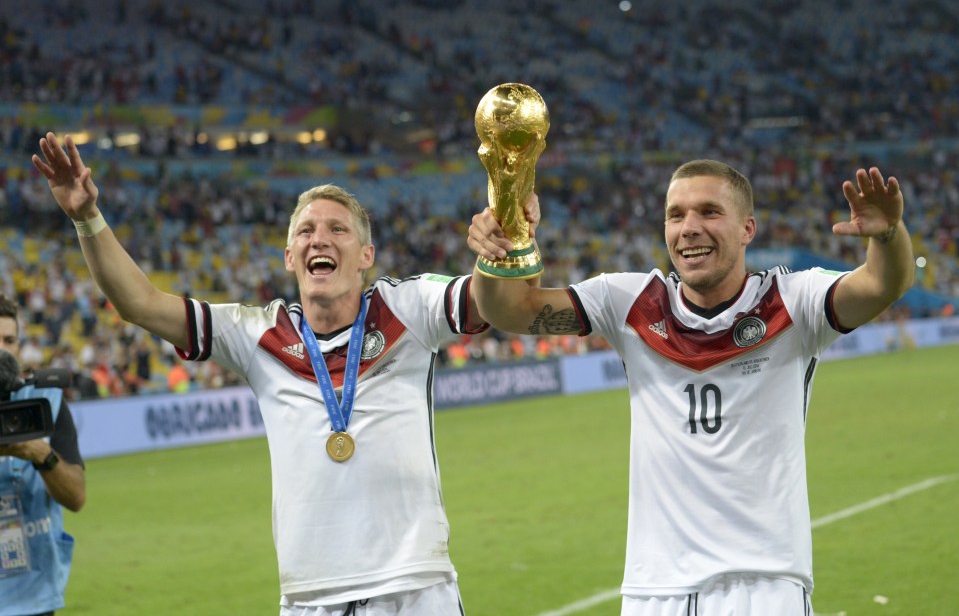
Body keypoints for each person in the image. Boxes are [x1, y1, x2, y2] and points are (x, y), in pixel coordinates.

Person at [31, 132, 524, 615]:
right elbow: (139, 303)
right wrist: (86, 217)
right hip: (309, 597)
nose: (319, 239)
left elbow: (490, 302)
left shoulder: (408, 308)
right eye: (305, 231)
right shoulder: (257, 334)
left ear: (366, 257)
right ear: (290, 257)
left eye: (338, 229)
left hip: (415, 589)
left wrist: (498, 248)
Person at [467, 159, 914, 615]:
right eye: (676, 215)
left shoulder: (794, 301)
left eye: (709, 212)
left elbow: (883, 282)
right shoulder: (628, 303)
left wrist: (887, 234)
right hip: (654, 591)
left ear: (747, 229)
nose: (689, 228)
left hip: (764, 588)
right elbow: (508, 310)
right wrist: (504, 248)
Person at [0, 295, 86, 616]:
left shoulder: (44, 401)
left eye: (9, 340)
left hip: (36, 594)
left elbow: (76, 497)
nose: (2, 349)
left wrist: (40, 453)